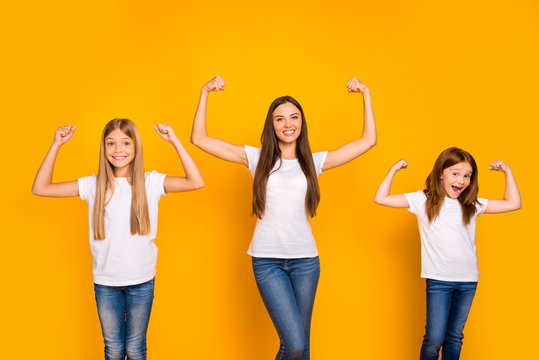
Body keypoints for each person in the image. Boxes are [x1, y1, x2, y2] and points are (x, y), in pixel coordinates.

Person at [191, 75, 377, 359]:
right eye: (280, 119)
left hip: (306, 261)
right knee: (294, 343)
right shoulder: (256, 158)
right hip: (267, 261)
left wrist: (365, 93)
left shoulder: (313, 162)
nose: (288, 124)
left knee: (304, 347)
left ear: (302, 123)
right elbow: (199, 139)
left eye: (294, 117)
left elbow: (368, 141)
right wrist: (205, 92)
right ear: (271, 125)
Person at [32, 119, 204, 359]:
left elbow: (196, 181)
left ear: (136, 147)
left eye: (125, 142)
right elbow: (40, 187)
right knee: (113, 349)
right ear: (103, 149)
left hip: (142, 281)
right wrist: (56, 145)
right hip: (106, 282)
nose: (118, 149)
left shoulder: (150, 182)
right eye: (110, 143)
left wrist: (174, 141)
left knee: (135, 349)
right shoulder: (93, 185)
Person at [373, 147, 521, 360]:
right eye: (455, 173)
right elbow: (381, 198)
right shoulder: (422, 200)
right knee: (434, 337)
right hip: (439, 281)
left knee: (454, 337)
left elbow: (513, 203)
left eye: (467, 176)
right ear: (441, 173)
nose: (461, 180)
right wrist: (394, 169)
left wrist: (507, 172)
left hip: (467, 280)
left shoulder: (471, 204)